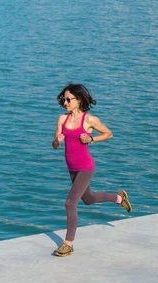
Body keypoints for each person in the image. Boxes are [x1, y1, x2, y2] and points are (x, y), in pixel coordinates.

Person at [52, 83, 132, 257]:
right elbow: (55, 145)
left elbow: (108, 134)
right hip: (71, 168)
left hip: (86, 167)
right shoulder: (62, 119)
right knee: (88, 199)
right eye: (63, 99)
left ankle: (68, 244)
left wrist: (91, 139)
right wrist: (57, 141)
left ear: (78, 100)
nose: (65, 102)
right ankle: (119, 198)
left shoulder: (89, 120)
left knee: (70, 203)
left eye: (68, 99)